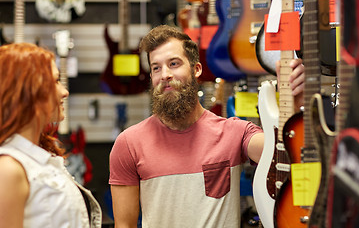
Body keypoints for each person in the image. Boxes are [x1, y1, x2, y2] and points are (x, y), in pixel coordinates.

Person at [109, 25, 305, 227]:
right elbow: (124, 225)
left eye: (174, 64)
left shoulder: (234, 132)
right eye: (156, 68)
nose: (165, 74)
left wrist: (297, 105)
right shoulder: (128, 144)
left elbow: (287, 154)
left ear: (196, 70)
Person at [0, 43, 102, 228]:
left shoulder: (38, 158)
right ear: (28, 90)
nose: (65, 91)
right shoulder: (9, 168)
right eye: (55, 81)